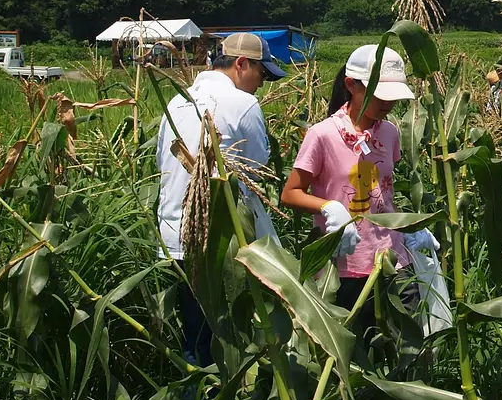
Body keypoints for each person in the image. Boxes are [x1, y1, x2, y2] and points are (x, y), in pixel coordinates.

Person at [157, 32, 286, 367]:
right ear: (242, 64)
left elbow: (163, 165)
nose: (262, 84)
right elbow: (254, 173)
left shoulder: (176, 101)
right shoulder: (242, 104)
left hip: (175, 238)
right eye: (261, 74)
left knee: (195, 337)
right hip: (220, 242)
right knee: (228, 339)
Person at [281, 44, 418, 332]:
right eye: (380, 94)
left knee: (409, 345)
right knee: (355, 352)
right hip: (346, 265)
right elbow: (290, 193)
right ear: (351, 86)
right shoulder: (322, 135)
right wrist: (328, 206)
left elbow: (385, 191)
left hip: (393, 259)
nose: (388, 103)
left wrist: (412, 226)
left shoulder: (390, 132)